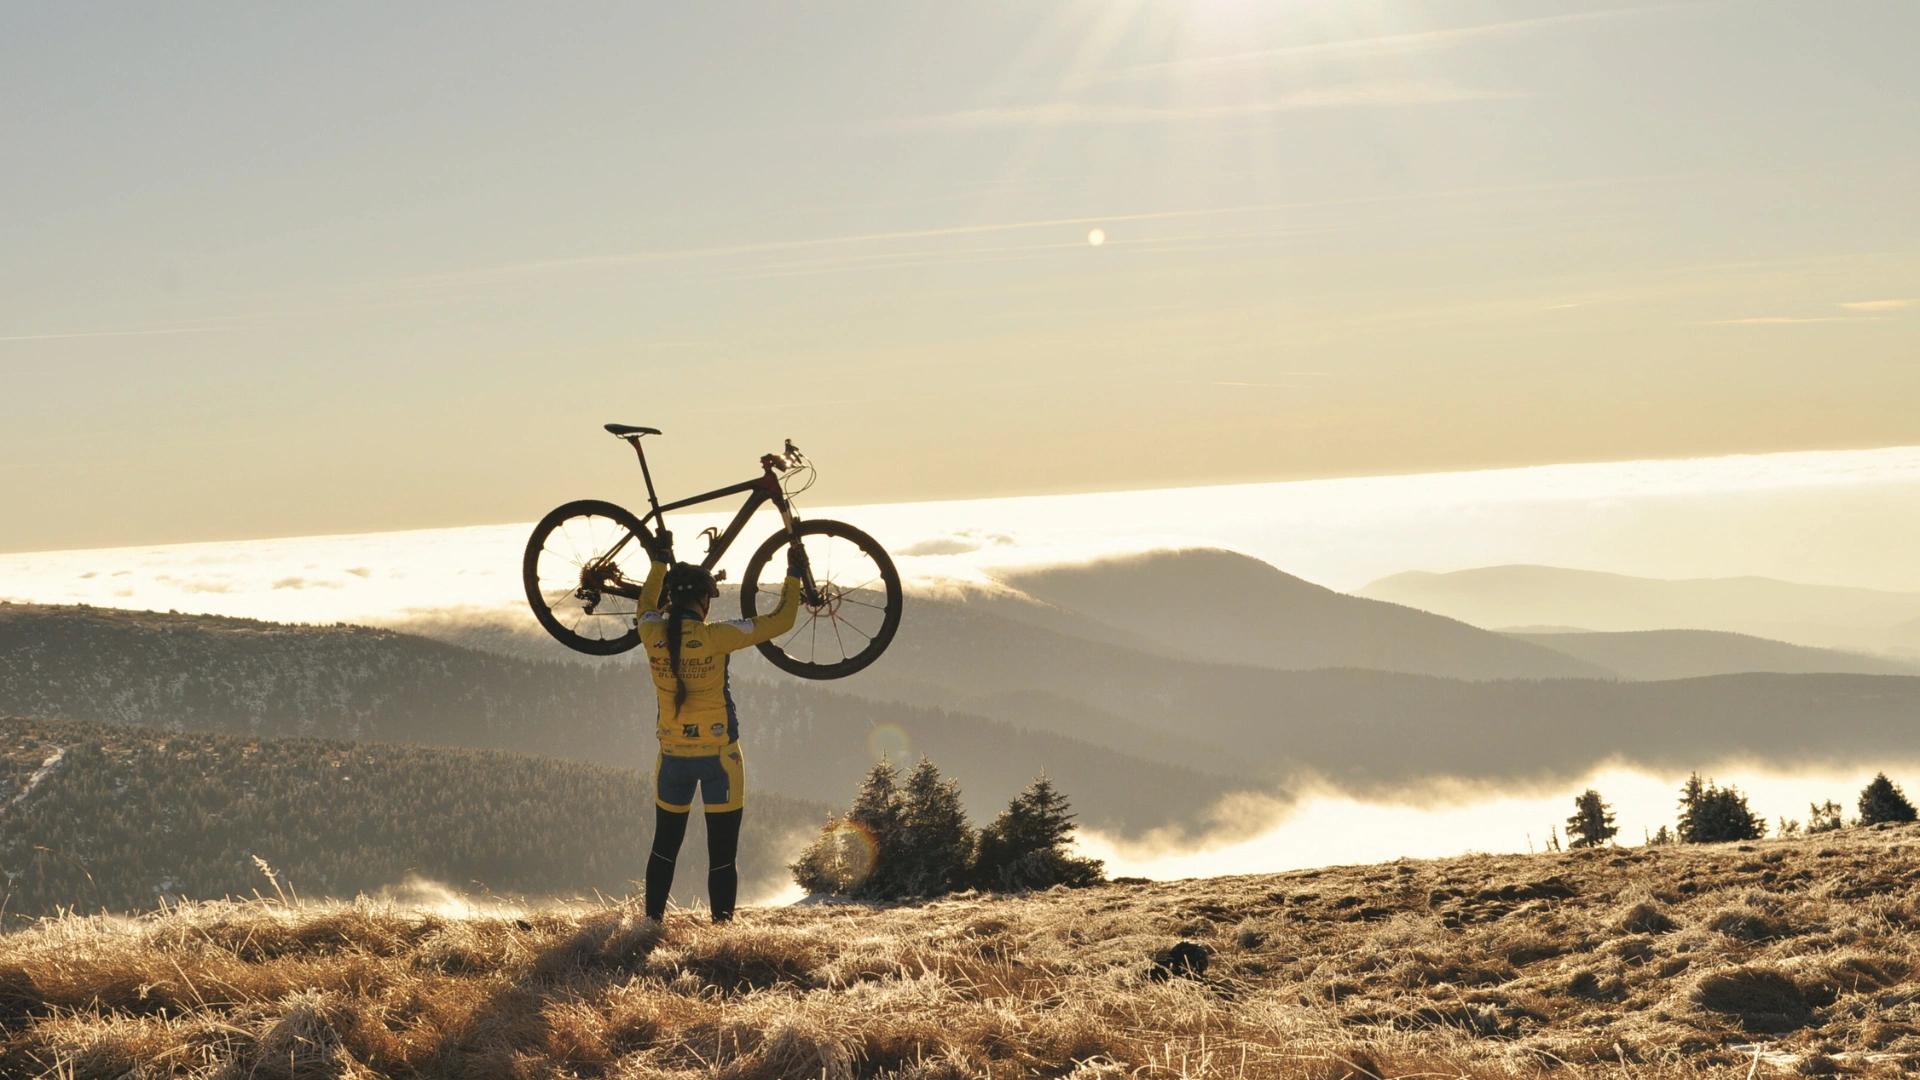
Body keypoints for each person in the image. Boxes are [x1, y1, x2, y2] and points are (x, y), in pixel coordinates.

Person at [630, 543, 808, 923]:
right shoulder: (716, 637)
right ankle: (722, 933)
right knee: (722, 855)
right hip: (720, 759)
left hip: (672, 759)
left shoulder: (649, 632)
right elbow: (781, 621)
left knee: (664, 848)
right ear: (703, 603)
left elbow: (644, 603)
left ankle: (648, 928)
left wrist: (658, 562)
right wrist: (793, 575)